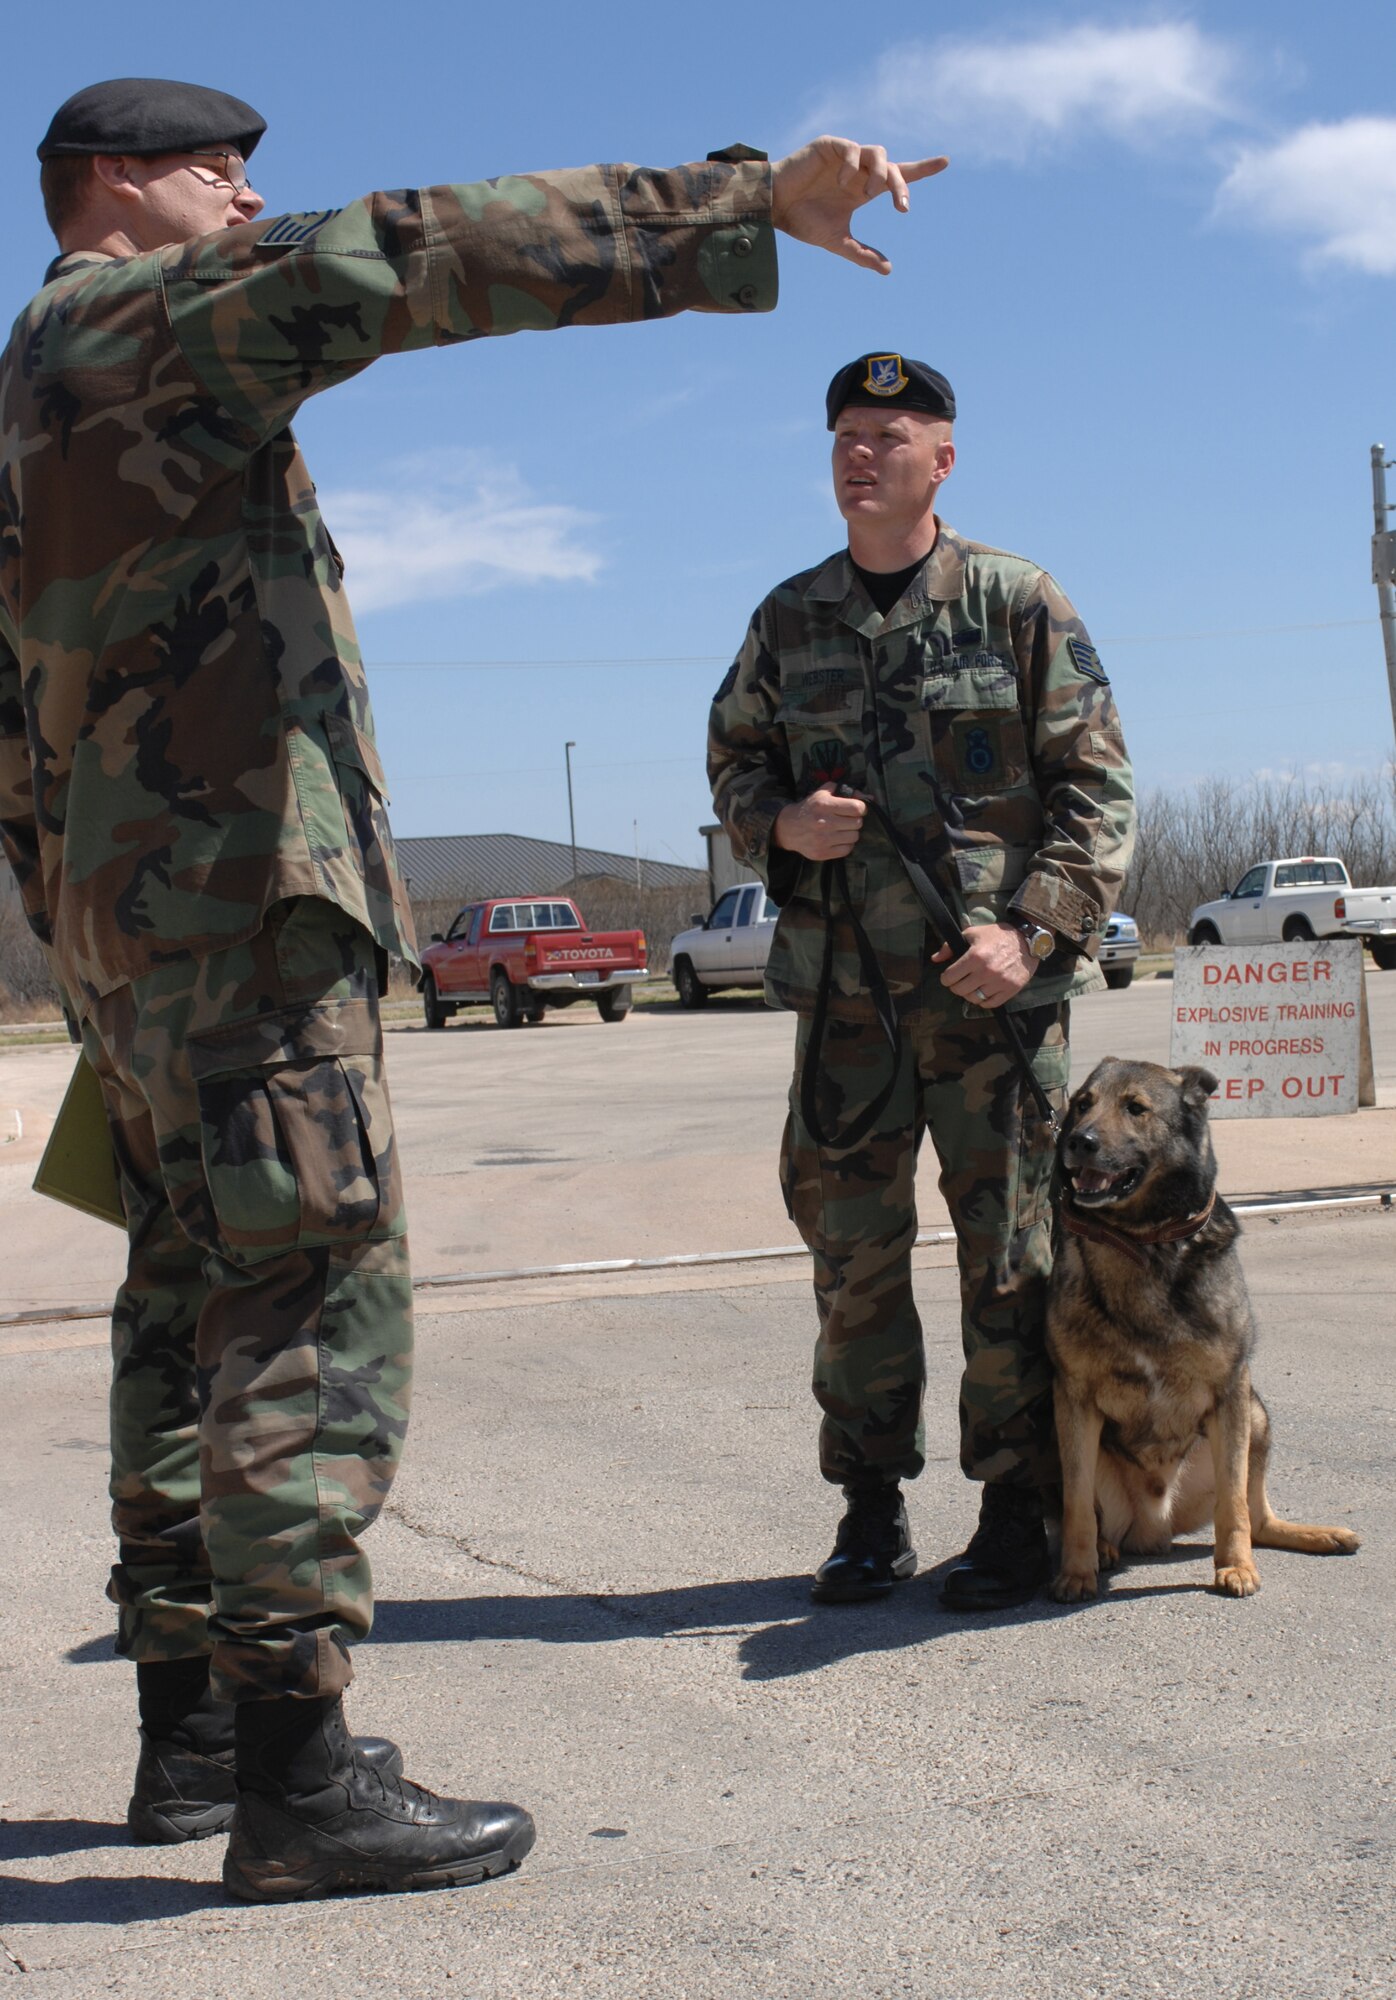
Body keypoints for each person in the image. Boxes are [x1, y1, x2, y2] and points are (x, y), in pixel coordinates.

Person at [0, 79, 945, 1904]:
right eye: (218, 169)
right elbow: (418, 254)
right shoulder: (151, 315)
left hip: (122, 929)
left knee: (180, 1298)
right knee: (307, 1295)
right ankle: (298, 1779)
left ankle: (190, 1731)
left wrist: (74, 919)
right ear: (117, 185)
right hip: (243, 917)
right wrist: (746, 204)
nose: (249, 193)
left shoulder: (26, 383)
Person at [708, 353, 1135, 1616]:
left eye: (889, 436)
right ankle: (868, 1506)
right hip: (847, 1004)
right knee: (852, 1259)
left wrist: (1038, 929)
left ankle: (1015, 1507)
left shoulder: (1013, 600)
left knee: (1010, 1257)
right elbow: (733, 762)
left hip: (990, 1003)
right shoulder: (789, 619)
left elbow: (1095, 785)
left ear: (941, 459)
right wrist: (781, 824)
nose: (860, 454)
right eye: (845, 434)